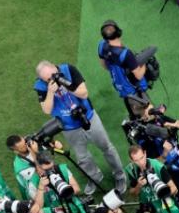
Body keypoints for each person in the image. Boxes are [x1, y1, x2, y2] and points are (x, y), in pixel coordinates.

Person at [33, 60, 127, 198]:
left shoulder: (68, 70)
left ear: (55, 67)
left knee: (107, 147)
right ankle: (95, 177)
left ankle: (119, 175)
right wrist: (51, 92)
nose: (52, 79)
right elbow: (47, 110)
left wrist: (66, 83)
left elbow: (84, 94)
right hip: (68, 127)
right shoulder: (41, 86)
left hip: (89, 117)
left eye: (53, 75)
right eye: (48, 79)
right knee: (82, 157)